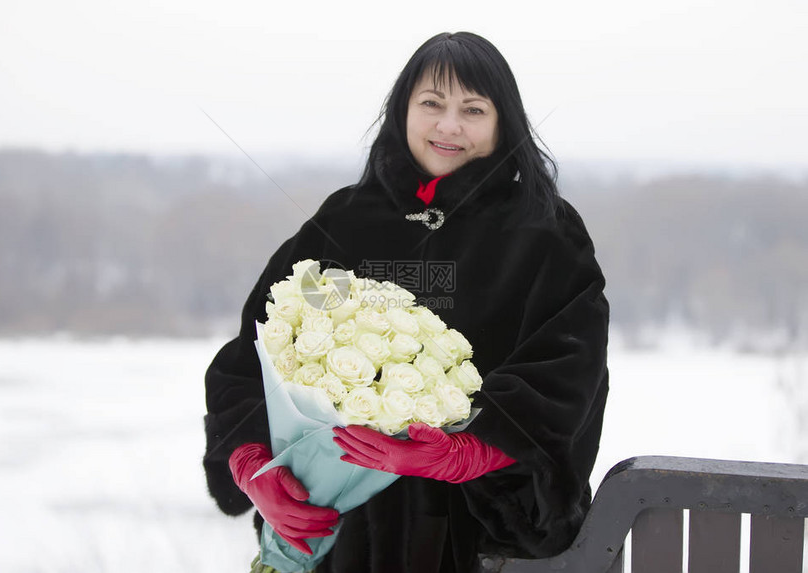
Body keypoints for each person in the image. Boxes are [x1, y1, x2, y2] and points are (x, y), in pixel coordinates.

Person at [203, 31, 609, 573]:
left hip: (478, 542)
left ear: (503, 122)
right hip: (337, 536)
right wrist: (254, 462)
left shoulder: (543, 233)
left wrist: (470, 451)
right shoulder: (346, 221)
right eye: (432, 104)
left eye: (473, 109)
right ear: (403, 112)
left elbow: (568, 367)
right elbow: (257, 353)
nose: (449, 125)